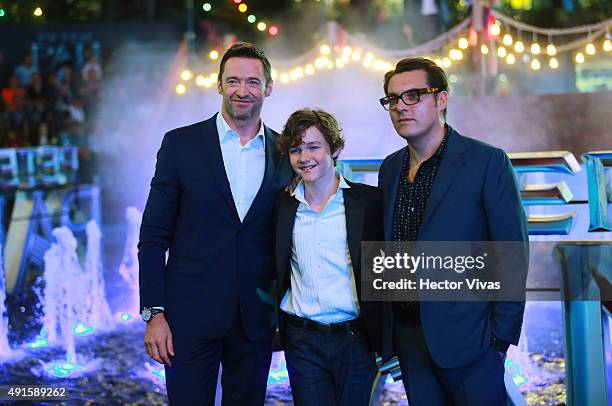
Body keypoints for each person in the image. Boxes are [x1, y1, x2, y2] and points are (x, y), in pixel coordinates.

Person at [138, 42, 293, 405]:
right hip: (188, 318)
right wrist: (153, 313)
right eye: (234, 80)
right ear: (219, 84)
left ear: (268, 88)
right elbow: (152, 236)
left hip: (255, 320)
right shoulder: (180, 144)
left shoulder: (286, 152)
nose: (243, 91)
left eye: (253, 82)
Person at [377, 57, 528, 405]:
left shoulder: (487, 161)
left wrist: (498, 340)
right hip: (410, 340)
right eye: (393, 99)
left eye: (413, 96)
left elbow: (512, 252)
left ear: (441, 99)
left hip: (472, 341)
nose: (401, 106)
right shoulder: (390, 169)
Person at [275, 108, 384, 405]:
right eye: (296, 150)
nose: (304, 157)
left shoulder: (368, 202)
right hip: (302, 338)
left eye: (313, 147)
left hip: (356, 337)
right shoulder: (283, 206)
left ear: (335, 149)